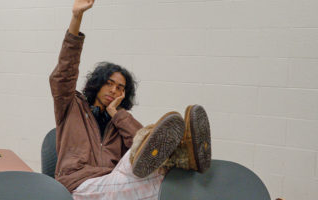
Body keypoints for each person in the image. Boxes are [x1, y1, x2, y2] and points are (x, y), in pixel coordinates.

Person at [49, 0, 211, 199]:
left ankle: (183, 158)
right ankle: (184, 157)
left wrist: (117, 115)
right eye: (109, 83)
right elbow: (64, 73)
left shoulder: (119, 120)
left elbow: (142, 151)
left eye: (120, 88)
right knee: (159, 178)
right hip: (78, 185)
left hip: (115, 181)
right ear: (98, 84)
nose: (114, 90)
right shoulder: (71, 106)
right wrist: (77, 18)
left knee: (152, 164)